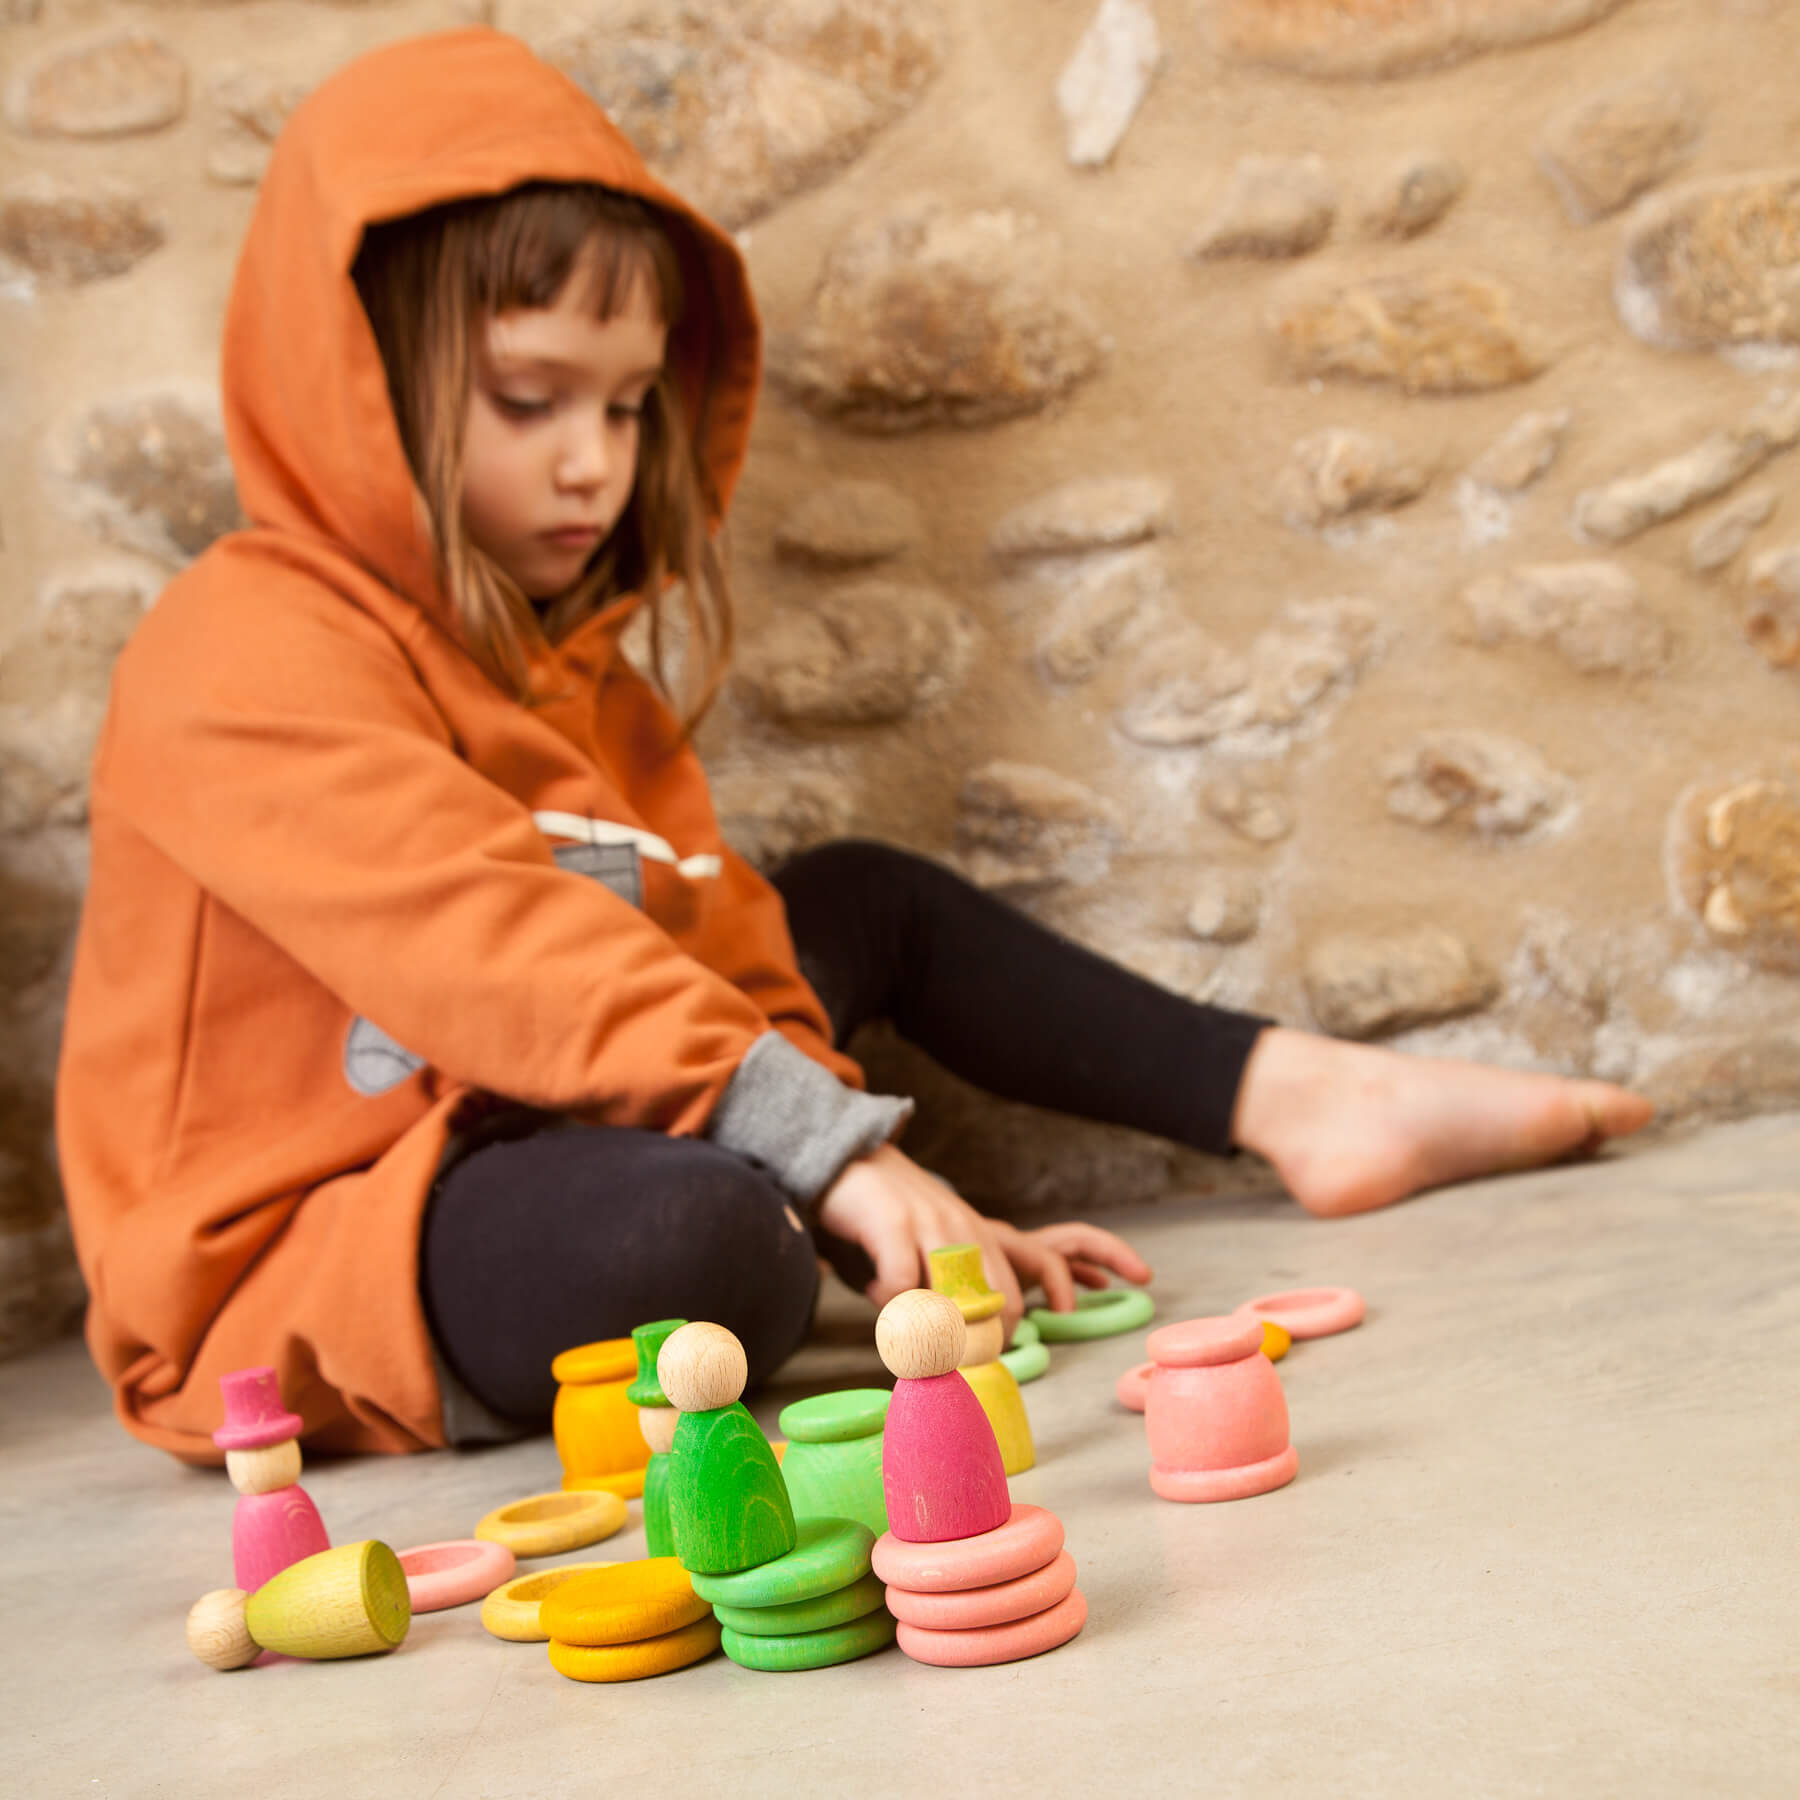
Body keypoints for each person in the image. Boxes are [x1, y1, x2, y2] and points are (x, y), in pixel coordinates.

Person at [54, 29, 1653, 1462]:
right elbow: (496, 948)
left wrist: (867, 1173)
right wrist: (836, 1167)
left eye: (625, 409)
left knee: (851, 903)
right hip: (313, 1240)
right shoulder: (239, 644)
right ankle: (736, 1226)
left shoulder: (578, 673)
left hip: (537, 1111)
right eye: (531, 397)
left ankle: (1304, 1094)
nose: (591, 467)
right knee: (711, 1244)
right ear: (364, 386)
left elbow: (706, 944)